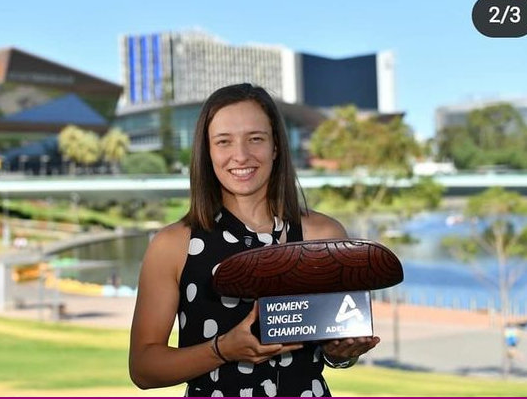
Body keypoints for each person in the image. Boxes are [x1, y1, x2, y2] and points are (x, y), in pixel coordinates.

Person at [129, 83, 379, 397]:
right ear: (207, 152)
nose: (241, 155)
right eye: (223, 141)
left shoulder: (324, 237)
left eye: (256, 139)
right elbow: (143, 368)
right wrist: (222, 350)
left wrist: (344, 354)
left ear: (276, 147)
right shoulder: (172, 246)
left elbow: (336, 347)